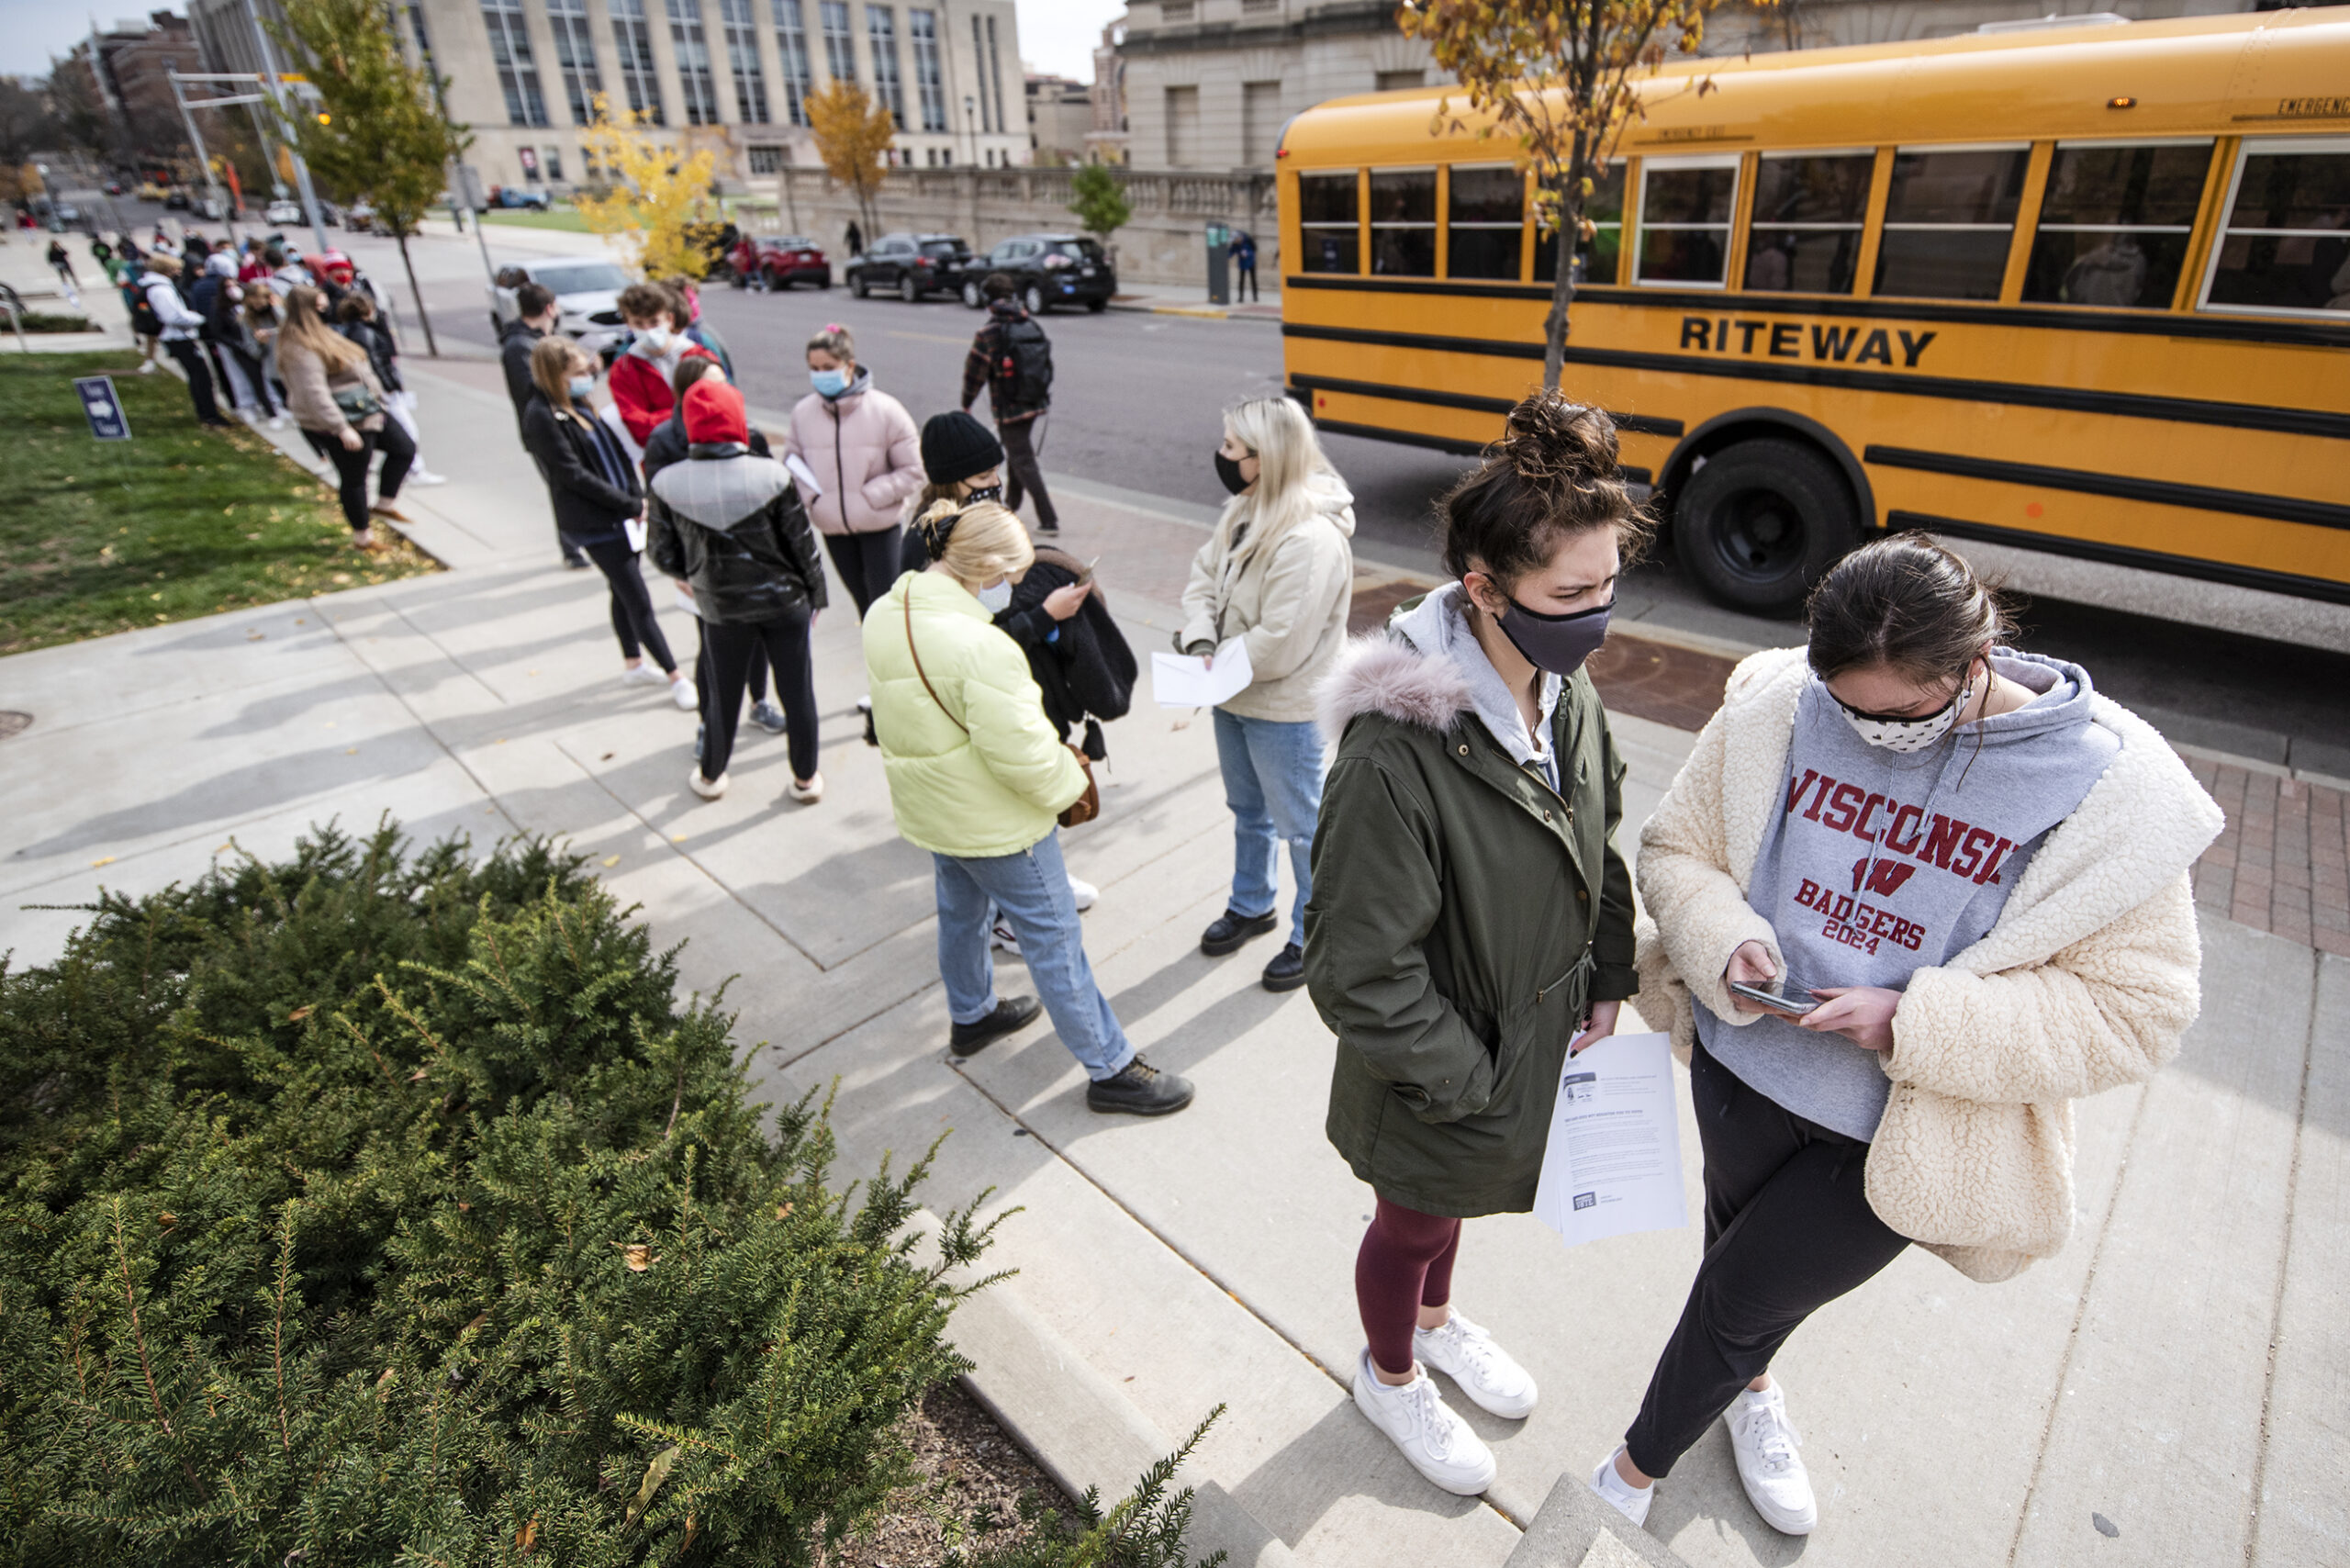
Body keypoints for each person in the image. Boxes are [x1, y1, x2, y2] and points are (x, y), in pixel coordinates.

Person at [1587, 533, 2221, 1538]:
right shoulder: (1780, 702)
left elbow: (2137, 1012)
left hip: (1900, 1129)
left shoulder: (2114, 789)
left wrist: (1913, 1018)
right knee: (1733, 1267)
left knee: (1738, 1298)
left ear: (1973, 667)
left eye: (1906, 716)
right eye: (1849, 710)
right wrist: (1724, 937)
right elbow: (1680, 847)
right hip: (1738, 1064)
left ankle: (1627, 1473)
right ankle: (1746, 1393)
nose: (1875, 736)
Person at [1305, 393, 1643, 1497]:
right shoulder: (1393, 756)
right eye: (1571, 594)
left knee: (1447, 1211)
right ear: (1483, 588)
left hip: (1524, 1039)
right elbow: (1358, 968)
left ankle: (1439, 1323)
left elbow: (1594, 830)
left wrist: (1606, 977)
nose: (1598, 616)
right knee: (1408, 1222)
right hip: (1443, 1064)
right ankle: (1390, 1368)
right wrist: (1472, 1078)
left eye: (1608, 585)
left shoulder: (1561, 682)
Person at [866, 498, 1193, 1117]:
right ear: (984, 569)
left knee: (960, 914)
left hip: (933, 807)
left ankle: (973, 1015)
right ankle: (1111, 1067)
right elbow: (1023, 758)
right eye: (1009, 577)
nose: (1010, 589)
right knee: (1054, 938)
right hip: (997, 824)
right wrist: (1071, 787)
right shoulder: (982, 647)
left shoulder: (887, 610)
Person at [909, 409, 1137, 936]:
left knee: (1030, 807)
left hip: (1027, 693)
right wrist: (1045, 616)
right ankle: (1013, 915)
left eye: (997, 471)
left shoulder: (985, 522)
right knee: (1003, 815)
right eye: (983, 477)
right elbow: (961, 651)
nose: (996, 484)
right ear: (950, 479)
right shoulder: (925, 548)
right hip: (981, 708)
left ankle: (1041, 883)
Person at [1178, 396, 1355, 993]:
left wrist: (1210, 667)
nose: (1222, 455)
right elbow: (1204, 577)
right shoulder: (1243, 507)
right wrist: (1202, 641)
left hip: (1281, 707)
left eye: (1232, 447)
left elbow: (1280, 641)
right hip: (1229, 692)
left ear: (1266, 458)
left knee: (1302, 829)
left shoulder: (1309, 539)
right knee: (1246, 813)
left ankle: (1315, 937)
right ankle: (1252, 904)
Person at [646, 379, 828, 804]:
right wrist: (816, 596)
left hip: (720, 608)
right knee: (798, 691)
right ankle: (805, 780)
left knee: (721, 694)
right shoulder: (773, 476)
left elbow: (661, 553)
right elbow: (804, 548)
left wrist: (695, 577)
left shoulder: (668, 484)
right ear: (738, 421)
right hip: (785, 603)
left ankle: (711, 775)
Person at [521, 336, 694, 710]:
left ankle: (633, 663)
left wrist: (637, 497)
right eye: (578, 373)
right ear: (556, 375)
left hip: (621, 514)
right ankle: (675, 676)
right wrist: (630, 504)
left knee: (621, 590)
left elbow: (613, 454)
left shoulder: (577, 404)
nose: (587, 378)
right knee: (637, 599)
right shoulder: (542, 415)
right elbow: (572, 474)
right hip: (598, 521)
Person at [644, 355, 788, 747]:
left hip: (754, 563)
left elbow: (770, 496)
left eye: (723, 382)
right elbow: (661, 516)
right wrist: (681, 572)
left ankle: (759, 703)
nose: (720, 392)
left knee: (758, 641)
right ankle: (710, 723)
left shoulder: (750, 433)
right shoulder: (665, 440)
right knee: (711, 647)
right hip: (702, 566)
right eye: (709, 384)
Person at [787, 322, 923, 617]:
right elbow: (793, 465)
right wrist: (815, 501)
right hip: (834, 528)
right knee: (863, 605)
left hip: (879, 525)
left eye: (828, 366)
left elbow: (913, 470)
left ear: (849, 366)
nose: (821, 375)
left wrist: (871, 496)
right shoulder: (803, 413)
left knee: (886, 606)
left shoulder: (885, 410)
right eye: (815, 368)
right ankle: (874, 661)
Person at [275, 283, 413, 547]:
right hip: (345, 419)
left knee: (404, 448)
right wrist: (340, 428)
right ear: (308, 312)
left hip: (368, 411)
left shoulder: (324, 335)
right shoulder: (299, 347)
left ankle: (384, 504)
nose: (329, 311)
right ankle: (362, 537)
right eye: (321, 308)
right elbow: (313, 393)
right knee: (354, 478)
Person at [958, 274, 1058, 533]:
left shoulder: (989, 333)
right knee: (1017, 454)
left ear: (988, 300)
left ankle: (1049, 519)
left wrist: (966, 403)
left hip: (1009, 407)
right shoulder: (1028, 323)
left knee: (1022, 458)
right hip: (1034, 402)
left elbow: (974, 374)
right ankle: (1011, 506)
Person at [335, 292, 448, 486]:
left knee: (398, 432)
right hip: (383, 392)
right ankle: (414, 470)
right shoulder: (365, 334)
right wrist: (389, 388)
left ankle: (410, 469)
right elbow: (376, 364)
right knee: (407, 431)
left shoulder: (349, 332)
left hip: (375, 391)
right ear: (367, 310)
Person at [610, 280, 717, 448]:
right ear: (629, 324)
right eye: (639, 324)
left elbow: (719, 409)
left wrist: (658, 418)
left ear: (669, 319)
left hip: (707, 448)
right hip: (662, 457)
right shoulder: (624, 370)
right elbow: (639, 428)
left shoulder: (700, 356)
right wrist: (691, 411)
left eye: (654, 322)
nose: (648, 330)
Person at [137, 254, 232, 429]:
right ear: (166, 270)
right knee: (201, 377)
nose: (179, 273)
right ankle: (209, 414)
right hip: (178, 337)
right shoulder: (160, 290)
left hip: (178, 337)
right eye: (175, 269)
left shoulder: (158, 287)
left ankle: (206, 412)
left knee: (199, 377)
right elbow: (173, 316)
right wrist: (197, 319)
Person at [1228, 229, 1259, 302]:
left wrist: (1247, 254)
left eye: (1235, 240)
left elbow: (1254, 250)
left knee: (1253, 279)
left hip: (1251, 262)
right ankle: (1241, 297)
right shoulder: (1235, 244)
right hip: (1242, 263)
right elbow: (1231, 252)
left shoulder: (1248, 240)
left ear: (1239, 238)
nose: (1234, 241)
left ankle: (1255, 296)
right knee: (1241, 280)